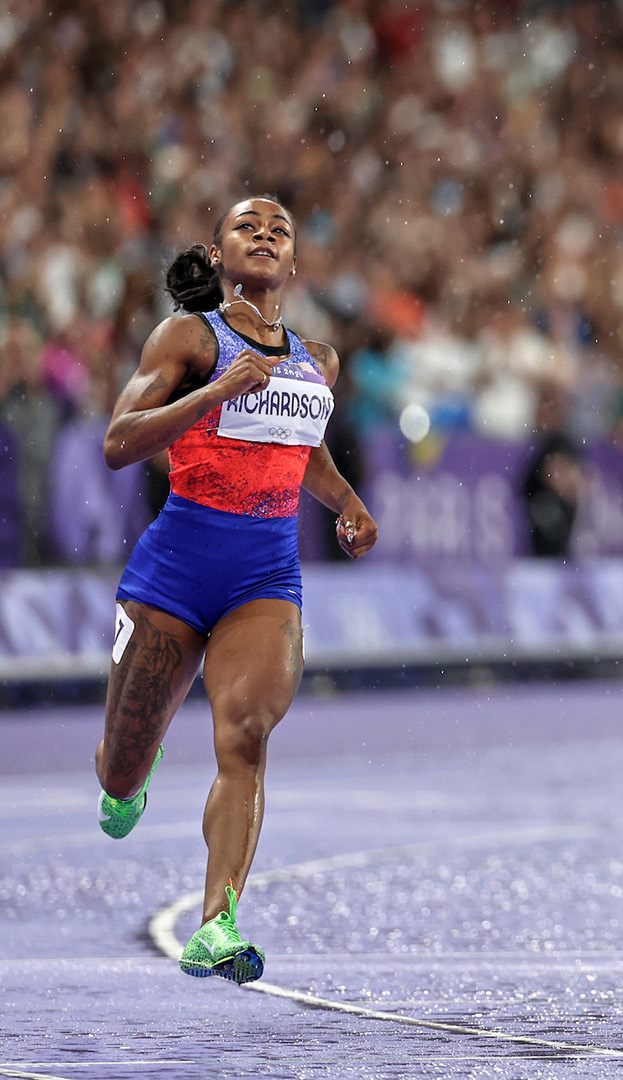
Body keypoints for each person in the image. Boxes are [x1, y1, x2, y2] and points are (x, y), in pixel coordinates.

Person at [94, 197, 378, 984]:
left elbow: (303, 451)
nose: (264, 235)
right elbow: (119, 442)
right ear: (219, 257)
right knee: (117, 772)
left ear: (294, 265)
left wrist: (347, 502)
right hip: (174, 571)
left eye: (279, 230)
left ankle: (216, 923)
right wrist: (214, 395)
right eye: (246, 227)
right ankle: (130, 769)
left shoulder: (317, 359)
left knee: (245, 733)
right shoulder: (189, 337)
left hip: (264, 575)